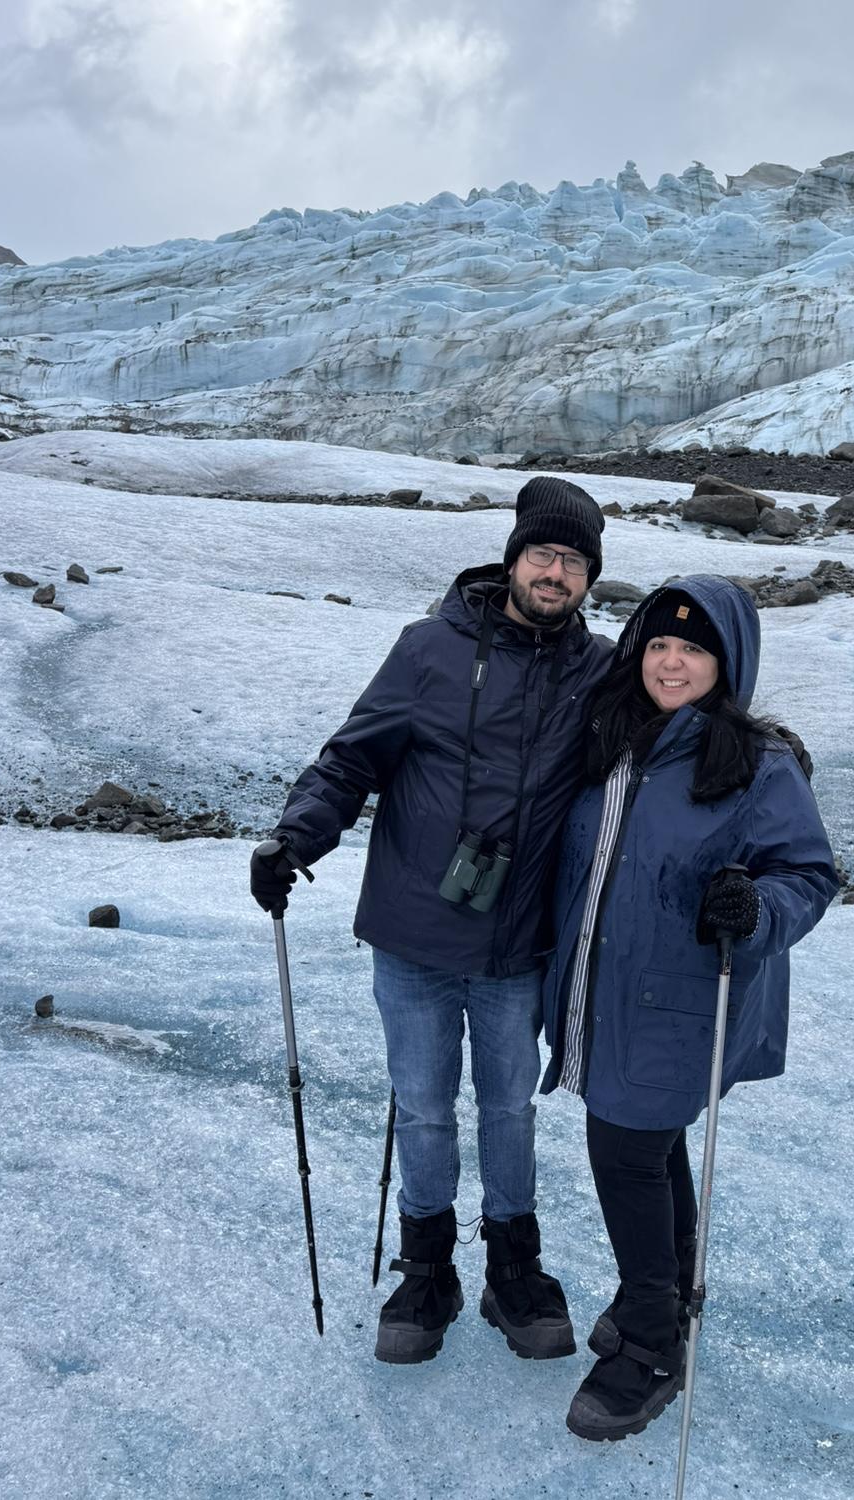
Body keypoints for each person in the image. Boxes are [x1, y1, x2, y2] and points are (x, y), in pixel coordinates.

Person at [250, 476, 613, 1365]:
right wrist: (295, 838)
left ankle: (513, 1269)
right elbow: (351, 762)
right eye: (543, 553)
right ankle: (427, 1270)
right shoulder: (428, 650)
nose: (556, 572)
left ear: (590, 578)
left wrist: (764, 760)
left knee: (509, 1108)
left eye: (574, 561)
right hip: (415, 934)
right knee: (421, 1106)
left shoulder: (600, 671)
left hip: (517, 941)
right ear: (513, 559)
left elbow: (678, 726)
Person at [540, 574, 838, 1441]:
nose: (671, 663)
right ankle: (666, 1293)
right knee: (651, 1143)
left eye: (694, 648)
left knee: (624, 1152)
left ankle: (651, 1342)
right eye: (660, 645)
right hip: (602, 991)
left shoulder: (756, 764)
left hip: (680, 1005)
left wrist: (757, 908)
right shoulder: (616, 739)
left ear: (727, 661)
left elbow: (808, 874)